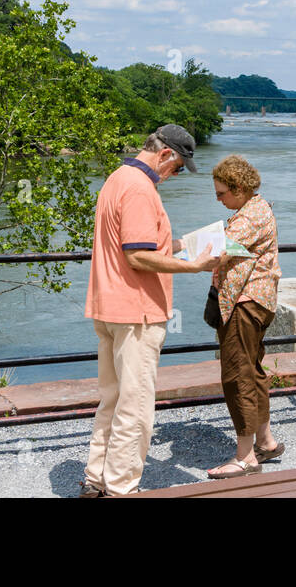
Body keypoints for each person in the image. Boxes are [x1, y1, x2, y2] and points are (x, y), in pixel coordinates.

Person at [82, 125, 222, 498]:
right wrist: (196, 266)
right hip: (136, 312)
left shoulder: (118, 178)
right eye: (177, 168)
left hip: (108, 305)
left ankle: (96, 480)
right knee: (136, 406)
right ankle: (121, 488)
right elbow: (138, 256)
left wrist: (184, 245)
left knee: (111, 401)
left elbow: (140, 244)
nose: (174, 176)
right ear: (164, 155)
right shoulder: (142, 190)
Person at [206, 154, 285, 479]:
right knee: (252, 372)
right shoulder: (257, 208)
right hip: (258, 301)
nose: (219, 199)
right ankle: (265, 442)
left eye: (221, 193)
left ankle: (245, 457)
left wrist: (174, 247)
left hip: (244, 302)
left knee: (237, 375)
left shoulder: (249, 217)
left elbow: (215, 250)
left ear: (238, 189)